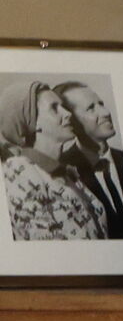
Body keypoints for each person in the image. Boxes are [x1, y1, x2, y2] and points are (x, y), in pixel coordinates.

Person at [0, 81, 112, 241]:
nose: (68, 114)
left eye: (63, 106)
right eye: (54, 108)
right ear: (32, 123)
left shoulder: (68, 174)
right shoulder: (18, 171)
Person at [49, 82, 123, 241]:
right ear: (70, 120)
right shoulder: (61, 173)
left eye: (101, 104)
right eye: (91, 108)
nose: (106, 112)